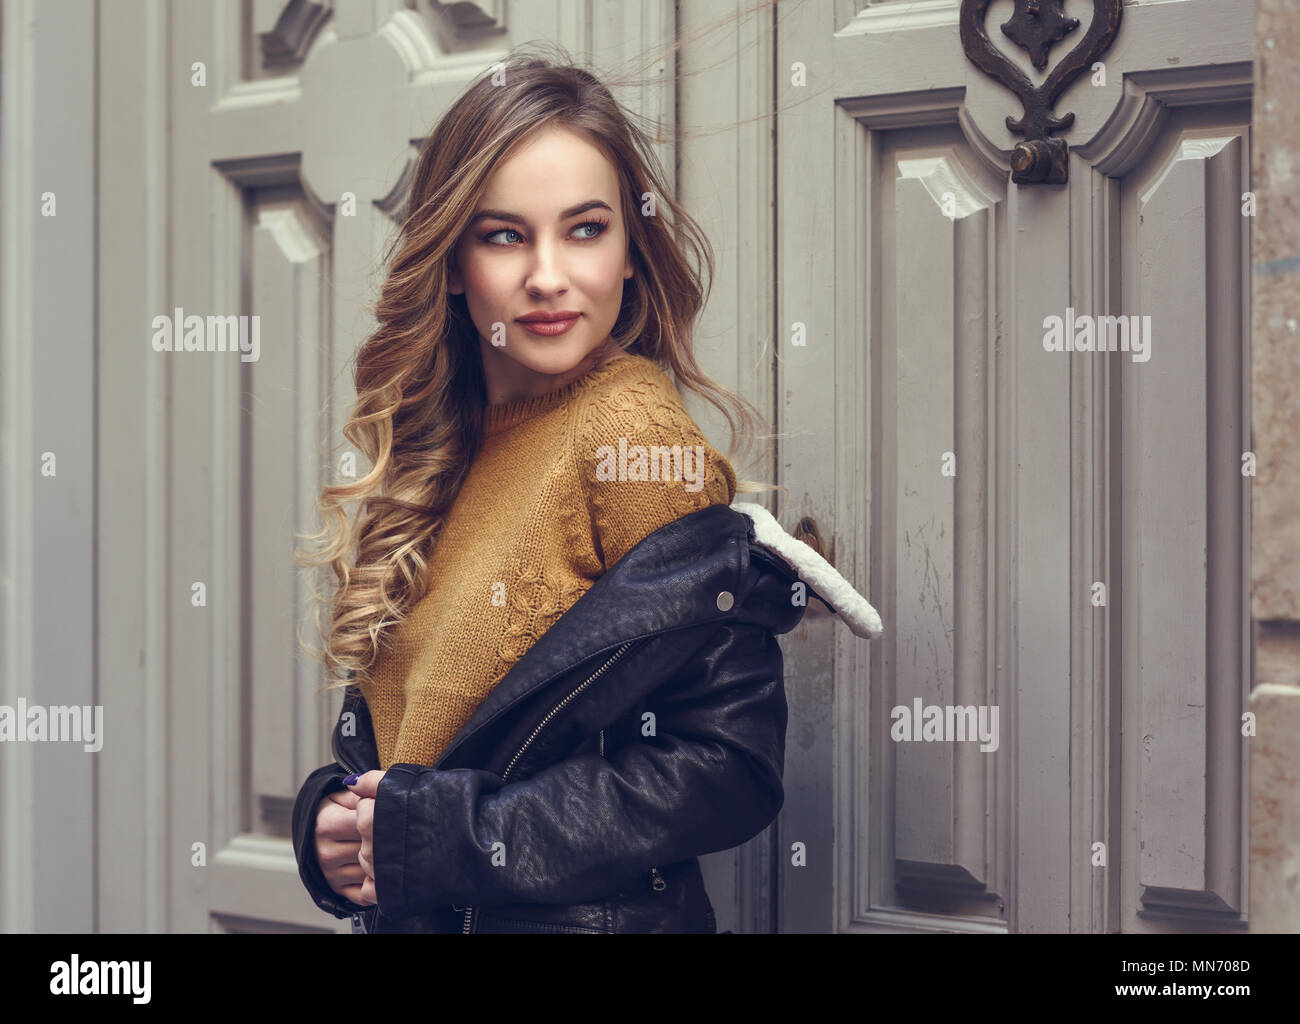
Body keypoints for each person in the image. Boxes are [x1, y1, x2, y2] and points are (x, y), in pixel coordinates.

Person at [290, 49, 882, 934]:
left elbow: (726, 768)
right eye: (503, 235)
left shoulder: (630, 437)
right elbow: (432, 743)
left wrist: (446, 836)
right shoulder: (446, 448)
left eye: (584, 229)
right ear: (452, 263)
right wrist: (337, 827)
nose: (547, 276)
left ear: (633, 250)